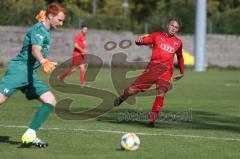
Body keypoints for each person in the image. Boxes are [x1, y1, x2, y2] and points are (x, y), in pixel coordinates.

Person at [0, 2, 67, 147]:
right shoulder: (39, 30)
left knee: (50, 100)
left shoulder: (43, 28)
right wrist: (43, 60)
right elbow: (35, 49)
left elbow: (38, 34)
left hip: (30, 74)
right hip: (20, 70)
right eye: (59, 20)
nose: (61, 23)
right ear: (50, 16)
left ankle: (30, 133)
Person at [114, 17, 184, 127]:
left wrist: (182, 72)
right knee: (132, 90)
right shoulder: (156, 36)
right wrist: (139, 41)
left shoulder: (178, 43)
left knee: (161, 94)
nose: (173, 29)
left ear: (178, 30)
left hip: (166, 73)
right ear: (167, 25)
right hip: (152, 70)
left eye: (176, 27)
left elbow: (180, 57)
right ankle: (123, 97)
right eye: (172, 26)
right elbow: (143, 41)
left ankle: (152, 121)